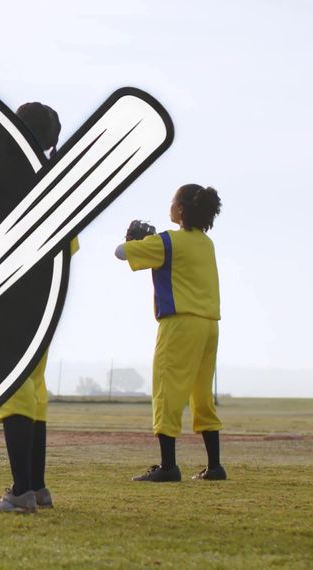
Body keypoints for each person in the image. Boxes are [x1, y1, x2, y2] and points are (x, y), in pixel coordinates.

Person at [0, 102, 76, 513]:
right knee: (35, 391)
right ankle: (37, 487)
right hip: (47, 296)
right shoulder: (54, 180)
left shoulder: (12, 176)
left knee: (14, 389)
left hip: (15, 296)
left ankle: (21, 492)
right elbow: (70, 245)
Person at [115, 184, 225, 482]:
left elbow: (121, 253)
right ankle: (214, 466)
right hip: (209, 325)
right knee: (201, 394)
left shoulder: (168, 241)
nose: (170, 206)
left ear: (181, 209)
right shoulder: (206, 243)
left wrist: (134, 239)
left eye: (173, 201)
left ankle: (168, 467)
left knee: (167, 390)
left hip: (179, 324)